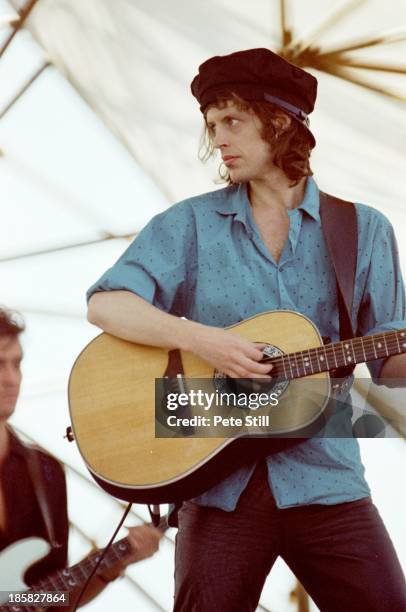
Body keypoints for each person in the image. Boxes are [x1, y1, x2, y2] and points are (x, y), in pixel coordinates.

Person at [86, 48, 406, 611]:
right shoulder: (187, 225)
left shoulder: (363, 231)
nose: (218, 140)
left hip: (326, 482)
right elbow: (107, 306)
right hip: (216, 493)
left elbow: (390, 366)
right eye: (211, 126)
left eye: (232, 121)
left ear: (280, 122)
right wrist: (205, 340)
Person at [0, 307, 162, 609]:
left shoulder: (45, 472)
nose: (11, 379)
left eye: (17, 364)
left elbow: (56, 602)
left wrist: (109, 567)